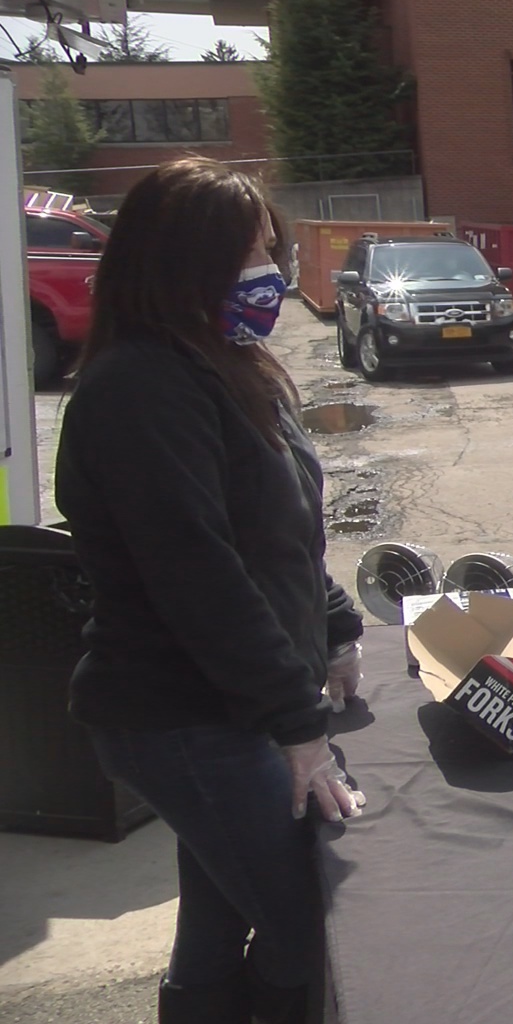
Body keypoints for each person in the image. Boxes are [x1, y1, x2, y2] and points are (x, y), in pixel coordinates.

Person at [55, 157, 368, 1024]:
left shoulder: (229, 364)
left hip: (235, 705)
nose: (267, 274)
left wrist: (334, 624)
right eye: (245, 256)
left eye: (268, 250)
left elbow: (277, 534)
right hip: (184, 715)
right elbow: (199, 574)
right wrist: (297, 725)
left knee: (218, 913)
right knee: (308, 921)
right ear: (177, 264)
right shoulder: (138, 389)